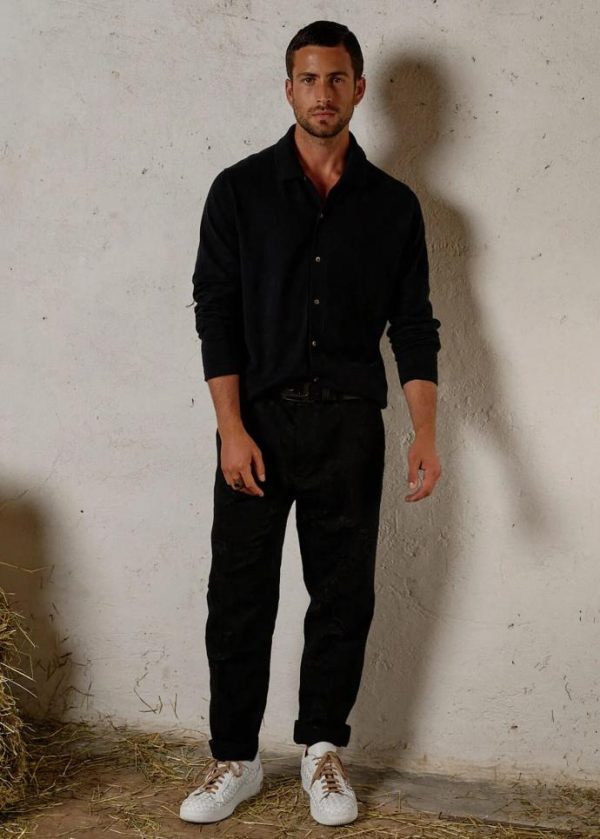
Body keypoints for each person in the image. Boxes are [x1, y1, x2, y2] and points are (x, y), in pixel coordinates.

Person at [179, 19, 442, 828]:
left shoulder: (393, 207)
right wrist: (231, 428)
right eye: (307, 78)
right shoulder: (238, 191)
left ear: (358, 88)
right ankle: (236, 758)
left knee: (342, 595)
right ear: (287, 88)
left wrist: (425, 433)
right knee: (239, 595)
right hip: (256, 424)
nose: (322, 93)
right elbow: (216, 313)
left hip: (350, 429)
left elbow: (414, 325)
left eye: (336, 78)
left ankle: (323, 750)